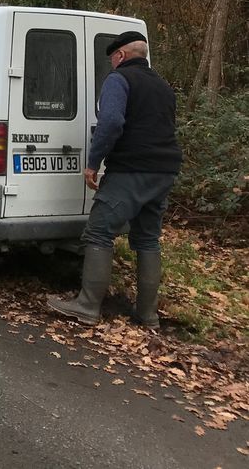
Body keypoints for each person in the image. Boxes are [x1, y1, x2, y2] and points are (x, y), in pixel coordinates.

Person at [48, 31, 182, 328]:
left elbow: (110, 122)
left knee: (99, 231)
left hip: (131, 169)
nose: (111, 64)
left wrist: (93, 163)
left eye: (112, 58)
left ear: (120, 55)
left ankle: (87, 305)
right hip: (164, 170)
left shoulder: (119, 80)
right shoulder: (163, 87)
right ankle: (147, 315)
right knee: (148, 239)